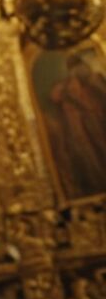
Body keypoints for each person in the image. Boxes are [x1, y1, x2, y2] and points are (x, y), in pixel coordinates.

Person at [46, 50, 106, 198]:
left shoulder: (95, 80)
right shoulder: (67, 86)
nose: (80, 70)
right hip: (84, 131)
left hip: (98, 125)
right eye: (75, 68)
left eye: (81, 66)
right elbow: (55, 96)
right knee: (92, 158)